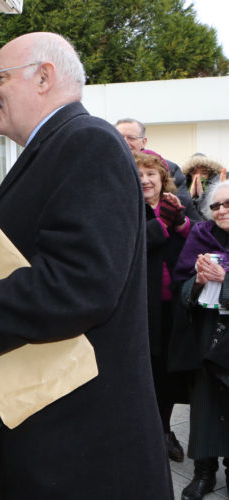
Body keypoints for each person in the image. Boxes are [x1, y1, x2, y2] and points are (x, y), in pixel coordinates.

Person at [0, 32, 173, 499]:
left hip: (82, 448)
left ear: (44, 77)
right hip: (58, 432)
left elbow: (78, 284)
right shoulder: (59, 146)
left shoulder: (87, 143)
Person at [173, 180, 229, 500]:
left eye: (228, 204)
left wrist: (226, 280)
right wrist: (198, 280)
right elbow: (182, 286)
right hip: (207, 330)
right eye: (217, 205)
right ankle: (203, 472)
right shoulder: (201, 235)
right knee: (205, 404)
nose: (221, 210)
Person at [134, 151, 191, 463]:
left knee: (170, 373)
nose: (145, 180)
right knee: (148, 370)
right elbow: (136, 244)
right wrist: (163, 221)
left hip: (174, 304)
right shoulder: (129, 207)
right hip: (143, 306)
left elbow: (197, 237)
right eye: (139, 174)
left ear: (162, 178)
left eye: (151, 174)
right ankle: (148, 433)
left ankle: (165, 431)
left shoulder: (176, 203)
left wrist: (180, 221)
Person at [115, 117, 201, 223]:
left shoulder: (170, 169)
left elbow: (185, 211)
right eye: (119, 137)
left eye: (131, 138)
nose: (124, 142)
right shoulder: (107, 170)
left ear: (143, 142)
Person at [182, 153, 227, 220]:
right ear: (189, 175)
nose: (199, 176)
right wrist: (190, 195)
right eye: (194, 173)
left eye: (204, 173)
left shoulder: (214, 192)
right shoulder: (182, 189)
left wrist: (202, 196)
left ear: (209, 175)